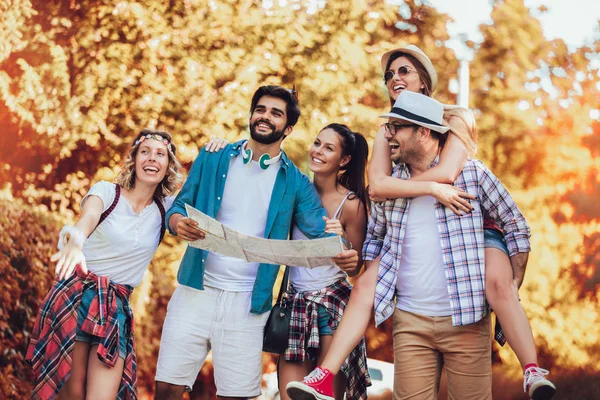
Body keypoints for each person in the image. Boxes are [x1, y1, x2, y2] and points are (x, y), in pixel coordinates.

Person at [288, 44, 555, 400]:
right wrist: (364, 266)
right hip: (410, 321)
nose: (390, 134)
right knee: (368, 282)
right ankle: (323, 376)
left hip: (465, 316)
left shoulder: (468, 167)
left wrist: (515, 276)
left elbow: (513, 221)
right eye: (389, 75)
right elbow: (377, 205)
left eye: (403, 72)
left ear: (426, 129)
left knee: (498, 281)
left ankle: (531, 368)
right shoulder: (391, 171)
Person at [154, 85, 359, 400]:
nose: (265, 117)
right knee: (167, 389)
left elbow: (319, 234)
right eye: (260, 109)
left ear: (288, 128)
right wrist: (178, 223)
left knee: (236, 396)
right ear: (251, 115)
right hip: (197, 289)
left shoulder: (296, 182)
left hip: (250, 304)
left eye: (276, 113)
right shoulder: (215, 157)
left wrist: (342, 249)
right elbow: (180, 206)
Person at [208, 123, 371, 400]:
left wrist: (342, 239)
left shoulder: (352, 204)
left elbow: (356, 268)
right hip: (294, 304)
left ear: (344, 161)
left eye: (328, 148)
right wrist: (223, 147)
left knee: (328, 395)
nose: (317, 151)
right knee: (290, 395)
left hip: (332, 306)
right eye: (317, 143)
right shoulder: (294, 189)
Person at [26, 129, 182, 400]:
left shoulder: (167, 209)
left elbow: (205, 194)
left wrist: (215, 149)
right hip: (77, 297)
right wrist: (76, 240)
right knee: (72, 394)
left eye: (160, 154)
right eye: (145, 152)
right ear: (133, 159)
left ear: (168, 166)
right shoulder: (107, 192)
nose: (152, 158)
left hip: (115, 310)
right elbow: (87, 218)